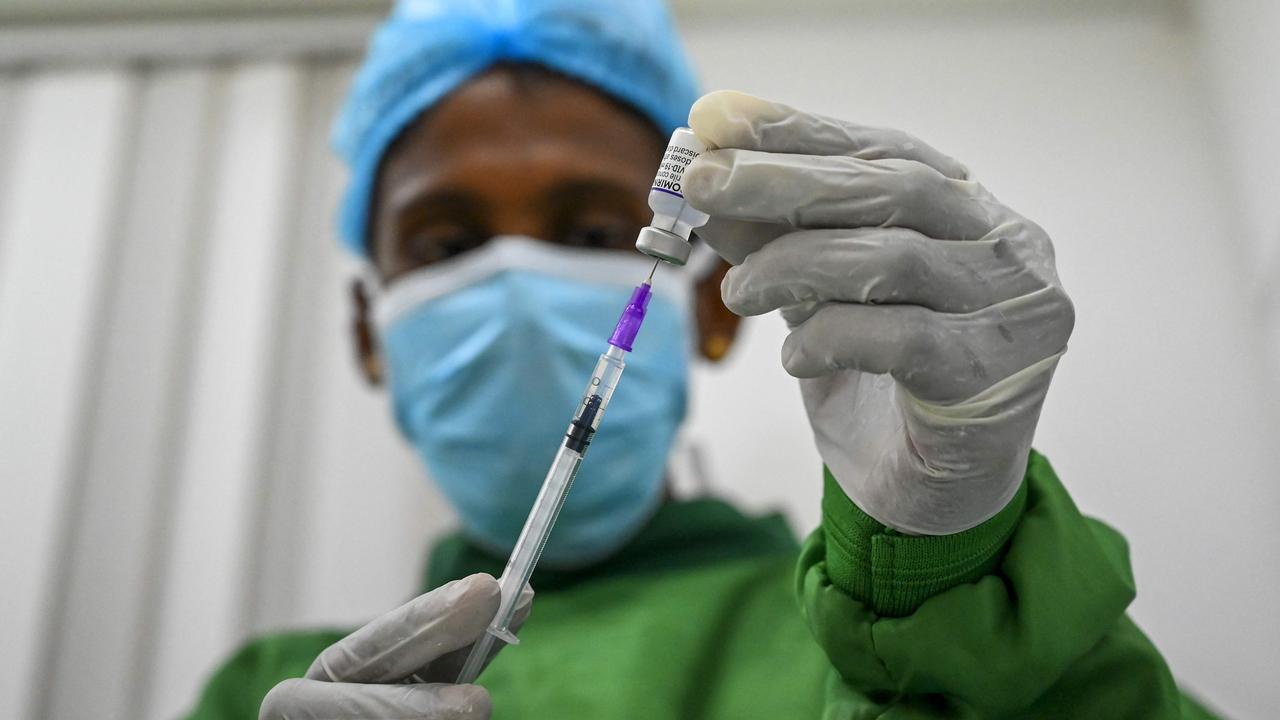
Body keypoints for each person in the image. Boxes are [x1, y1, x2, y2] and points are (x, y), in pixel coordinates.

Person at [187, 1, 1219, 718]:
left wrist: (947, 571)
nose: (512, 286)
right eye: (448, 245)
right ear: (370, 333)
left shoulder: (902, 636)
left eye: (594, 233)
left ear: (715, 303)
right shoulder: (269, 696)